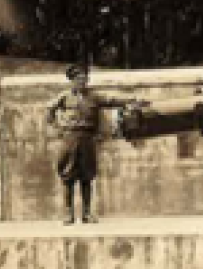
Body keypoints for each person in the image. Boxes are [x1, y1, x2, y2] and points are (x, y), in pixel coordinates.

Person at [45, 64, 138, 224]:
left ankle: (87, 213)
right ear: (72, 81)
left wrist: (131, 99)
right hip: (70, 137)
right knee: (68, 176)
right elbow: (50, 110)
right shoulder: (64, 97)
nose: (82, 82)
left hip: (87, 138)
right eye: (78, 79)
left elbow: (111, 100)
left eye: (84, 79)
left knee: (87, 175)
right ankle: (68, 214)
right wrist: (58, 127)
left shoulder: (93, 97)